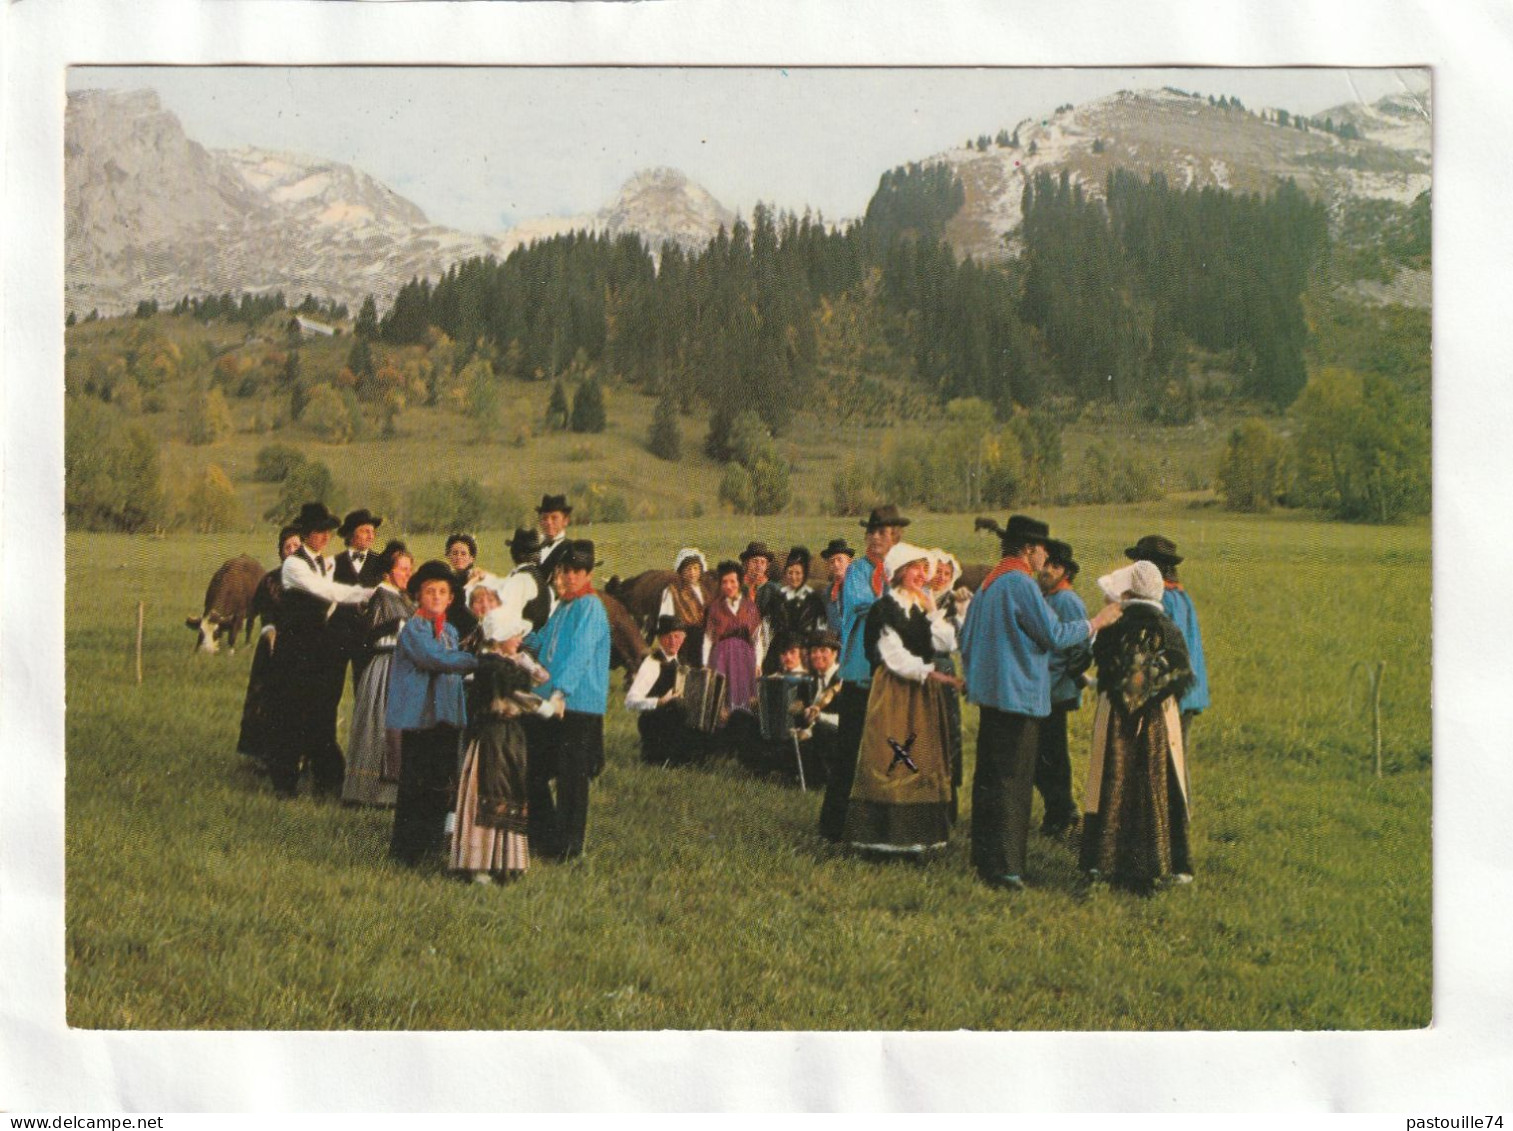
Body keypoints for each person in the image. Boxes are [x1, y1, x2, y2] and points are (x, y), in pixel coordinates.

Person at [959, 514, 1121, 890]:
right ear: (1030, 549)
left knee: (990, 780)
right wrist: (1096, 622)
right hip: (1020, 698)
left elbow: (966, 637)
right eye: (1043, 549)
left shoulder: (989, 582)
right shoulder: (1020, 583)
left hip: (991, 697)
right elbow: (1052, 634)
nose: (1044, 557)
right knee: (1013, 786)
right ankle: (1006, 869)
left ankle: (985, 860)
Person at [841, 543, 965, 853]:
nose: (923, 575)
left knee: (921, 756)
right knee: (892, 757)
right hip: (895, 690)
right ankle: (884, 836)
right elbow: (893, 656)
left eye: (925, 570)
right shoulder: (886, 608)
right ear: (898, 573)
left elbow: (943, 641)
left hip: (921, 691)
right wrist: (935, 674)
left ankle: (919, 836)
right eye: (916, 569)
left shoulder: (920, 605)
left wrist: (941, 610)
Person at [1079, 561, 1195, 892]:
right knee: (1158, 780)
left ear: (1130, 589)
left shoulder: (1113, 626)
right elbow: (1180, 672)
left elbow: (1097, 664)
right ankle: (1162, 862)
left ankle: (1104, 861)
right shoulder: (1168, 628)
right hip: (1157, 720)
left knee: (1113, 779)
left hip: (1116, 716)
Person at [270, 502, 376, 800]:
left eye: (328, 531)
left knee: (320, 712)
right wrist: (368, 593)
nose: (326, 536)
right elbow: (328, 592)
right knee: (291, 713)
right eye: (320, 531)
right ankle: (284, 783)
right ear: (306, 534)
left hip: (317, 648)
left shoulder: (324, 563)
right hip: (294, 649)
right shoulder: (294, 565)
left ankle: (325, 779)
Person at [818, 505, 909, 843]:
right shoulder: (857, 572)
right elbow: (859, 603)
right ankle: (833, 825)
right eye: (870, 532)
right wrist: (900, 602)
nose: (874, 538)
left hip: (892, 674)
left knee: (889, 752)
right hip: (860, 670)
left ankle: (879, 825)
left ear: (895, 537)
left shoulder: (901, 571)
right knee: (849, 748)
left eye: (882, 532)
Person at [523, 540, 611, 861]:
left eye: (578, 571)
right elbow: (542, 641)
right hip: (549, 701)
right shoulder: (563, 606)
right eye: (566, 570)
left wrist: (561, 693)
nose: (571, 576)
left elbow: (580, 654)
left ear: (587, 574)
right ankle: (544, 836)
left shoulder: (590, 607)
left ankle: (568, 848)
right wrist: (512, 634)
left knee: (572, 778)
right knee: (534, 767)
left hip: (576, 704)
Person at [387, 559, 479, 866]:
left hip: (445, 718)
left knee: (441, 780)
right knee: (417, 782)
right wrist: (477, 660)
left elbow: (450, 660)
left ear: (451, 598)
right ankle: (407, 849)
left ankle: (431, 842)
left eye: (443, 591)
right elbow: (434, 658)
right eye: (430, 591)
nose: (437, 597)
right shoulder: (415, 629)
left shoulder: (450, 630)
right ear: (418, 596)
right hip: (419, 719)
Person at [450, 608, 549, 884]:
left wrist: (524, 662)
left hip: (510, 735)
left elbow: (542, 677)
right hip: (492, 736)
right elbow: (510, 700)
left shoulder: (510, 662)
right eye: (514, 634)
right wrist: (547, 707)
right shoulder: (491, 666)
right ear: (501, 636)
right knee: (490, 788)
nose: (519, 638)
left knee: (510, 789)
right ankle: (480, 862)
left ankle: (503, 860)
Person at [341, 541, 415, 808]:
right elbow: (368, 636)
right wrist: (393, 626)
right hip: (385, 667)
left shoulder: (400, 597)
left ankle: (388, 792)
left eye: (410, 569)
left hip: (399, 666)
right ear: (387, 573)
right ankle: (373, 792)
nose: (408, 574)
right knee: (382, 726)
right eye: (403, 569)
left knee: (394, 728)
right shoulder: (382, 597)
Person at [1125, 534, 1210, 754]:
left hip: (1171, 692)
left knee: (1167, 764)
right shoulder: (1181, 595)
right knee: (1176, 760)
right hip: (1188, 689)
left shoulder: (1162, 598)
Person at [1035, 539, 1093, 838]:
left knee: (1051, 754)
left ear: (1065, 572)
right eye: (1045, 564)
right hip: (1044, 689)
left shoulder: (1068, 601)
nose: (1045, 570)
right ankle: (1058, 810)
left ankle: (1063, 813)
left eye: (1053, 566)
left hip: (1055, 692)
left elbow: (1081, 649)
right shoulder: (1047, 596)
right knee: (1045, 753)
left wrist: (1068, 678)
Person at [236, 525, 301, 768]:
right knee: (269, 700)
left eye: (297, 546)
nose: (293, 550)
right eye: (288, 547)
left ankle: (298, 756)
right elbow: (265, 615)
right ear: (281, 552)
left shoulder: (312, 579)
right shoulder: (271, 580)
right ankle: (265, 755)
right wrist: (271, 634)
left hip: (303, 649)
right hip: (273, 647)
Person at [926, 549, 969, 822]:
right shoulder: (916, 597)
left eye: (946, 573)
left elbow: (958, 641)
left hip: (942, 668)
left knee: (946, 732)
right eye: (937, 571)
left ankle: (947, 807)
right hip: (919, 669)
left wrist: (963, 614)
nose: (941, 577)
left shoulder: (957, 604)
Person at [625, 615, 703, 767]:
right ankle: (663, 756)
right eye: (668, 637)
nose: (673, 641)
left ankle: (684, 756)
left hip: (675, 720)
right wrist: (659, 701)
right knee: (676, 708)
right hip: (653, 721)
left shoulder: (683, 663)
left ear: (684, 637)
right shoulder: (652, 663)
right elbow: (631, 701)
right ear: (660, 638)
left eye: (677, 636)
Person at [703, 559, 763, 746]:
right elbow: (707, 638)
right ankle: (722, 744)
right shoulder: (714, 608)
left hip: (745, 657)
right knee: (722, 698)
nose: (729, 586)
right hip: (721, 657)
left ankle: (742, 742)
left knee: (744, 697)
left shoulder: (750, 607)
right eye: (725, 582)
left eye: (733, 582)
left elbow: (758, 638)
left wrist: (758, 662)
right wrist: (706, 664)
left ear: (739, 583)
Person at [333, 508, 389, 691]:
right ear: (351, 534)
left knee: (365, 689)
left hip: (368, 635)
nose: (371, 536)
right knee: (330, 689)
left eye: (373, 532)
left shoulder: (381, 562)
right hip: (337, 635)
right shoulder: (334, 563)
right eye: (365, 531)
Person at [766, 546, 827, 673]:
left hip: (805, 652)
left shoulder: (814, 599)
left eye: (798, 573)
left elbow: (820, 628)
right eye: (790, 573)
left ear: (804, 575)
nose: (794, 577)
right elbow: (769, 628)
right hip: (780, 651)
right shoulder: (777, 598)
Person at [659, 548, 710, 667]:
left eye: (695, 568)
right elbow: (666, 622)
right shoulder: (672, 591)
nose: (692, 573)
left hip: (704, 640)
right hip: (684, 641)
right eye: (688, 569)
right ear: (681, 571)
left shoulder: (704, 590)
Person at [495, 526, 549, 632]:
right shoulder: (537, 576)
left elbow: (504, 615)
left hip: (522, 640)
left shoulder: (520, 579)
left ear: (516, 553)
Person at [739, 541, 781, 671]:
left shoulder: (773, 589)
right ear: (746, 563)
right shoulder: (737, 587)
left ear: (767, 566)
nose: (758, 566)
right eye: (755, 562)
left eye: (762, 563)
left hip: (766, 638)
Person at [443, 533, 485, 638]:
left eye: (463, 554)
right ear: (448, 555)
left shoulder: (474, 577)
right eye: (455, 553)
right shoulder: (447, 577)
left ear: (471, 558)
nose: (458, 557)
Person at [535, 494, 573, 586]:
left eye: (554, 518)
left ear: (565, 521)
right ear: (540, 522)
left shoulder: (571, 549)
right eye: (545, 518)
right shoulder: (535, 549)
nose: (549, 522)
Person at [819, 538, 856, 636]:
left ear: (849, 561)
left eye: (839, 560)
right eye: (832, 562)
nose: (836, 564)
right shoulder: (827, 593)